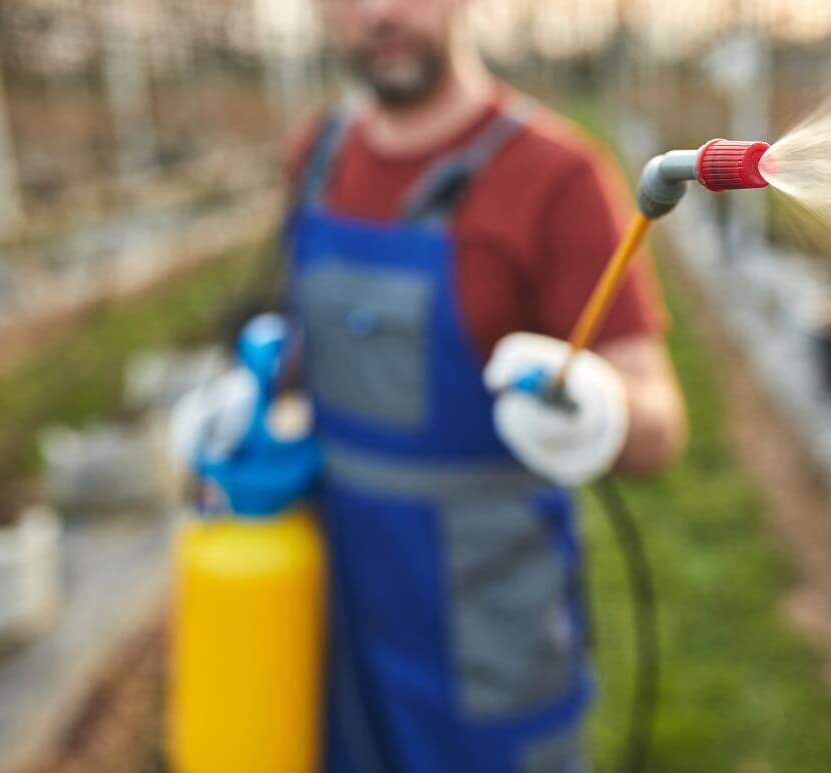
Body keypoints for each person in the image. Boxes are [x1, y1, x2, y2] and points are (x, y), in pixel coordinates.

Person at [177, 0, 687, 769]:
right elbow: (317, 329)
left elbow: (662, 424)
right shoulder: (318, 152)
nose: (379, 13)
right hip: (338, 596)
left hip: (485, 625)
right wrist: (250, 392)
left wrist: (606, 412)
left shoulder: (557, 175)